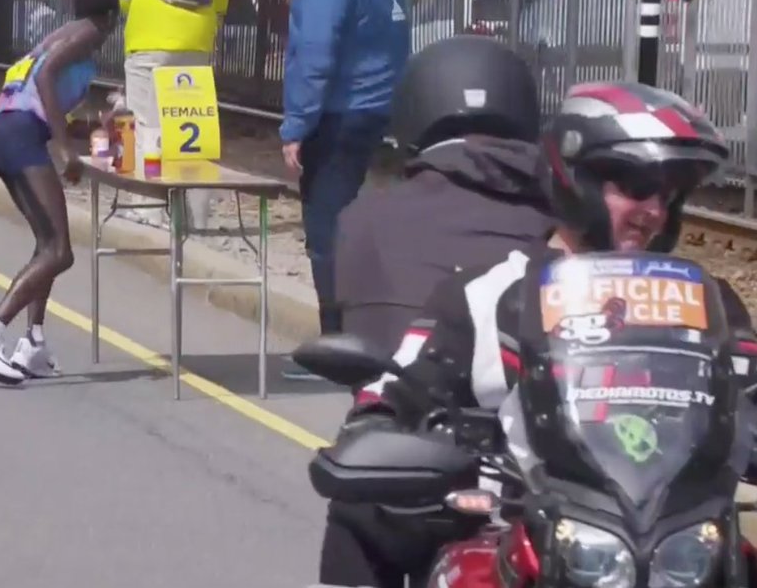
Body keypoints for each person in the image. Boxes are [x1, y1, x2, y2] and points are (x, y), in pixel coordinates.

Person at [316, 80, 757, 587]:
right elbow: (398, 388)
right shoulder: (490, 292)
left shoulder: (708, 304)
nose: (653, 211)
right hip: (520, 530)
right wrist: (377, 423)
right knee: (360, 511)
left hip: (681, 543)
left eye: (669, 194)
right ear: (574, 179)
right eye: (636, 188)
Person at [333, 35, 555, 363]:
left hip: (400, 391)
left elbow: (348, 323)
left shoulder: (363, 218)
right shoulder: (563, 218)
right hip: (535, 391)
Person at [0, 0, 121, 386]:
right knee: (60, 252)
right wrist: (65, 151)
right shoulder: (89, 33)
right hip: (20, 137)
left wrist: (94, 127)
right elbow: (45, 77)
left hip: (6, 131)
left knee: (47, 244)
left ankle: (33, 342)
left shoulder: (61, 35)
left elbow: (45, 105)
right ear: (111, 17)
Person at [280, 0, 410, 351]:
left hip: (336, 115)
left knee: (326, 232)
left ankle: (339, 345)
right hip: (373, 109)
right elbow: (376, 30)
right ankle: (363, 329)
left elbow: (315, 54)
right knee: (350, 224)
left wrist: (297, 126)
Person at [109, 0, 231, 230]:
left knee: (147, 125)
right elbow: (219, 11)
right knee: (192, 125)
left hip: (149, 49)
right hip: (197, 49)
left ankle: (149, 208)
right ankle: (196, 218)